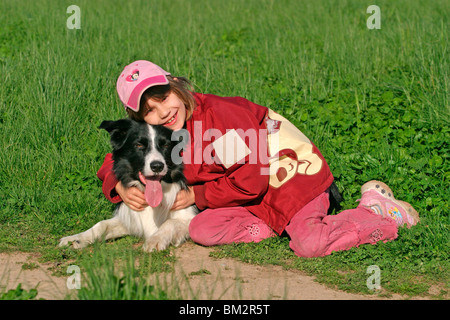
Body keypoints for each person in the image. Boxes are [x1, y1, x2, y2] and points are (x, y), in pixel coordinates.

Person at [97, 60, 419, 258]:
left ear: (177, 86)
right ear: (138, 117)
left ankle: (378, 213)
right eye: (149, 110)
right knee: (203, 230)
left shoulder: (221, 117)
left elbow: (251, 180)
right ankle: (277, 228)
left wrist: (198, 194)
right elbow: (120, 157)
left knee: (309, 245)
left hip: (291, 183)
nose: (163, 111)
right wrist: (119, 187)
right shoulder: (167, 130)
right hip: (251, 201)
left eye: (163, 97)